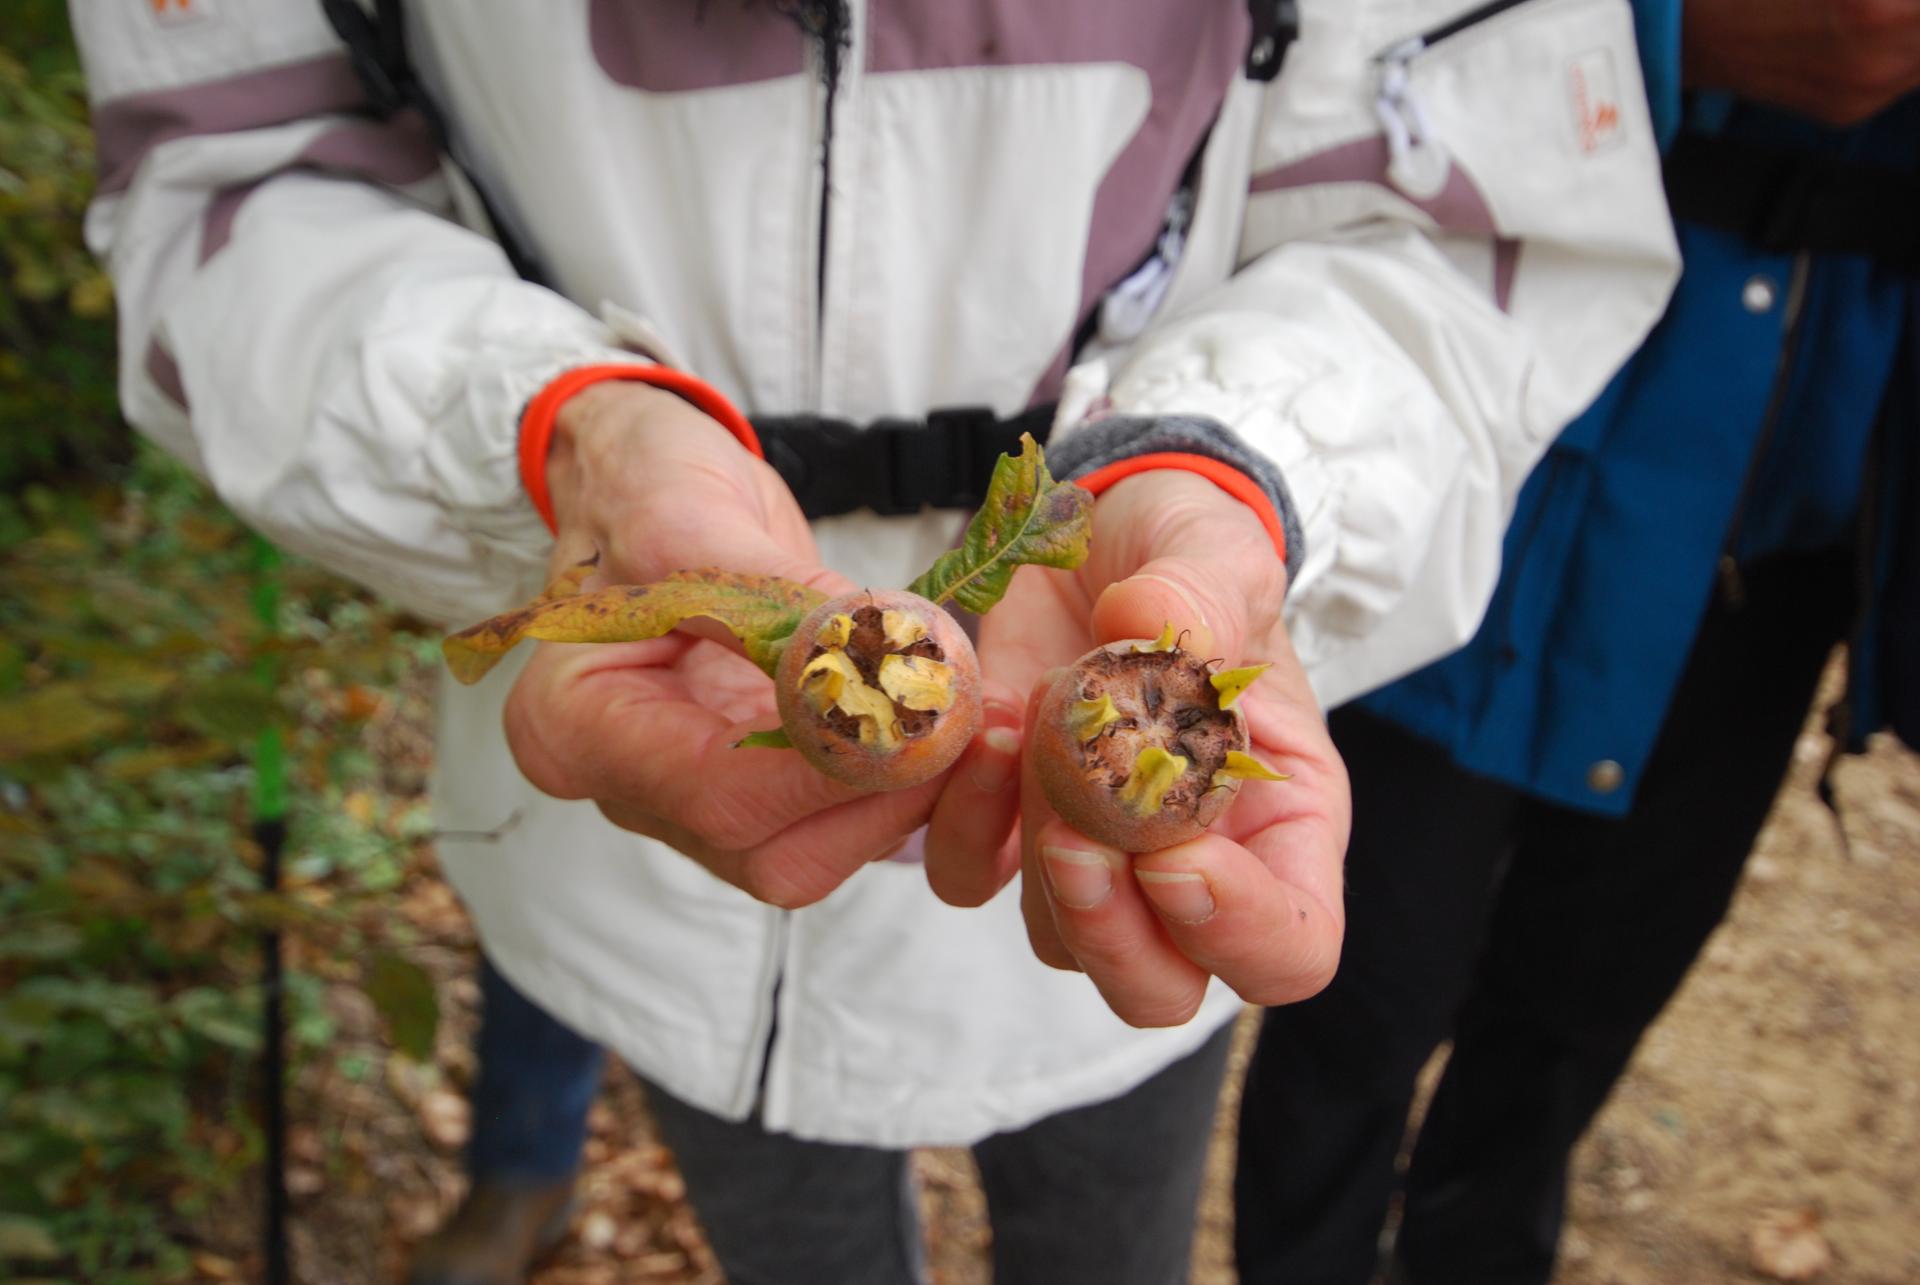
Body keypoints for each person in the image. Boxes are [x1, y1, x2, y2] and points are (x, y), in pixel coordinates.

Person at [69, 1, 1679, 1280]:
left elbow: (1469, 222)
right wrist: (554, 428)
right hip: (639, 861)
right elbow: (229, 169)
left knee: (1109, 1228)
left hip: (1092, 892)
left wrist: (1231, 464)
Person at [1232, 0, 1920, 1280]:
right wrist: (1660, 33)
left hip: (1789, 524)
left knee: (1574, 1016)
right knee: (1355, 999)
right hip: (1507, 490)